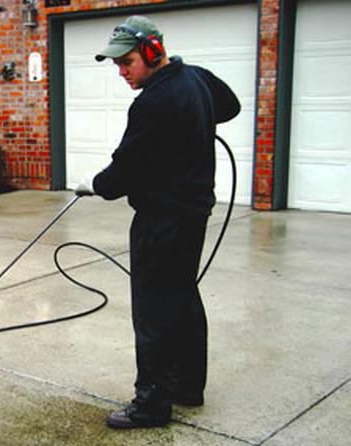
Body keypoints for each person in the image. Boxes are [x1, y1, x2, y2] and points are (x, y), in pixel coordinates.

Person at [77, 15, 241, 428]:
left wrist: (93, 185)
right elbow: (231, 105)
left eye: (127, 61)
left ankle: (151, 403)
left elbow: (122, 174)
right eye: (116, 64)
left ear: (152, 52)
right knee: (182, 298)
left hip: (162, 218)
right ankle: (188, 386)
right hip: (193, 213)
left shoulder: (152, 103)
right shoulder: (196, 79)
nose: (121, 71)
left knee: (153, 310)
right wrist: (191, 123)